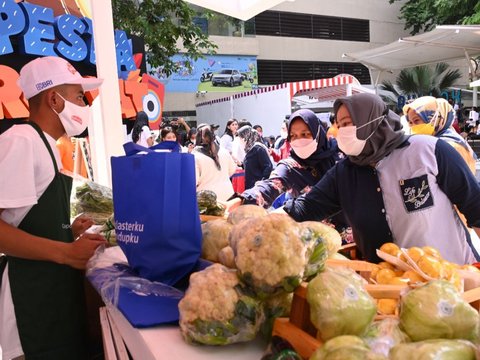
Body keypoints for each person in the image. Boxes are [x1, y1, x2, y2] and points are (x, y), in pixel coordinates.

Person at [281, 93, 480, 265]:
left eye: (349, 123)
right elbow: (306, 208)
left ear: (373, 120)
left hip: (455, 279)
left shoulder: (429, 151)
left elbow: (475, 206)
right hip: (389, 290)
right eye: (339, 125)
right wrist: (259, 219)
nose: (343, 131)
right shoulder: (343, 174)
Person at [0, 56, 106, 359]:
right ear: (53, 100)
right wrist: (65, 252)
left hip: (50, 294)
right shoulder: (21, 141)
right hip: (29, 301)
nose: (83, 104)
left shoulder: (46, 145)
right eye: (78, 96)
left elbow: (21, 220)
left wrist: (66, 230)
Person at [227, 109, 339, 210]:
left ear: (317, 133)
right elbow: (269, 186)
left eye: (305, 134)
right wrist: (241, 200)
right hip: (310, 229)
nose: (299, 140)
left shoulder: (339, 156)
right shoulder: (292, 166)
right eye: (293, 136)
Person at [403, 96, 477, 174]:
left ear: (436, 118)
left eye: (416, 120)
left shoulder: (448, 146)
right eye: (410, 122)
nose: (413, 126)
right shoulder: (434, 142)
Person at [193, 124, 237, 202]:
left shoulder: (195, 155)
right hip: (228, 195)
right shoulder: (224, 151)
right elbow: (232, 170)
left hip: (207, 199)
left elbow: (194, 180)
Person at [237, 126, 273, 190]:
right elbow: (253, 165)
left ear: (246, 137)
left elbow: (268, 166)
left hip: (257, 188)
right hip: (250, 187)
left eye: (240, 138)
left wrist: (262, 182)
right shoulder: (249, 149)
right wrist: (241, 164)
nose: (240, 141)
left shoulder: (258, 148)